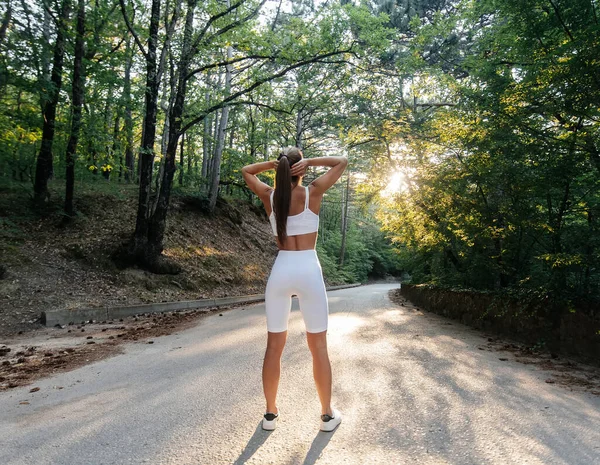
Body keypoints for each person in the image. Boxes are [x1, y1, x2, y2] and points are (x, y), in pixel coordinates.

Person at [241, 147, 348, 432]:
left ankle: (269, 415)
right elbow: (342, 161)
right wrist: (309, 162)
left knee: (274, 347)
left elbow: (246, 171)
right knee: (319, 346)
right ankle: (326, 415)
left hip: (281, 270)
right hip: (308, 270)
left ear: (280, 169)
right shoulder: (313, 191)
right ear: (301, 170)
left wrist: (277, 166)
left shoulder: (270, 196)